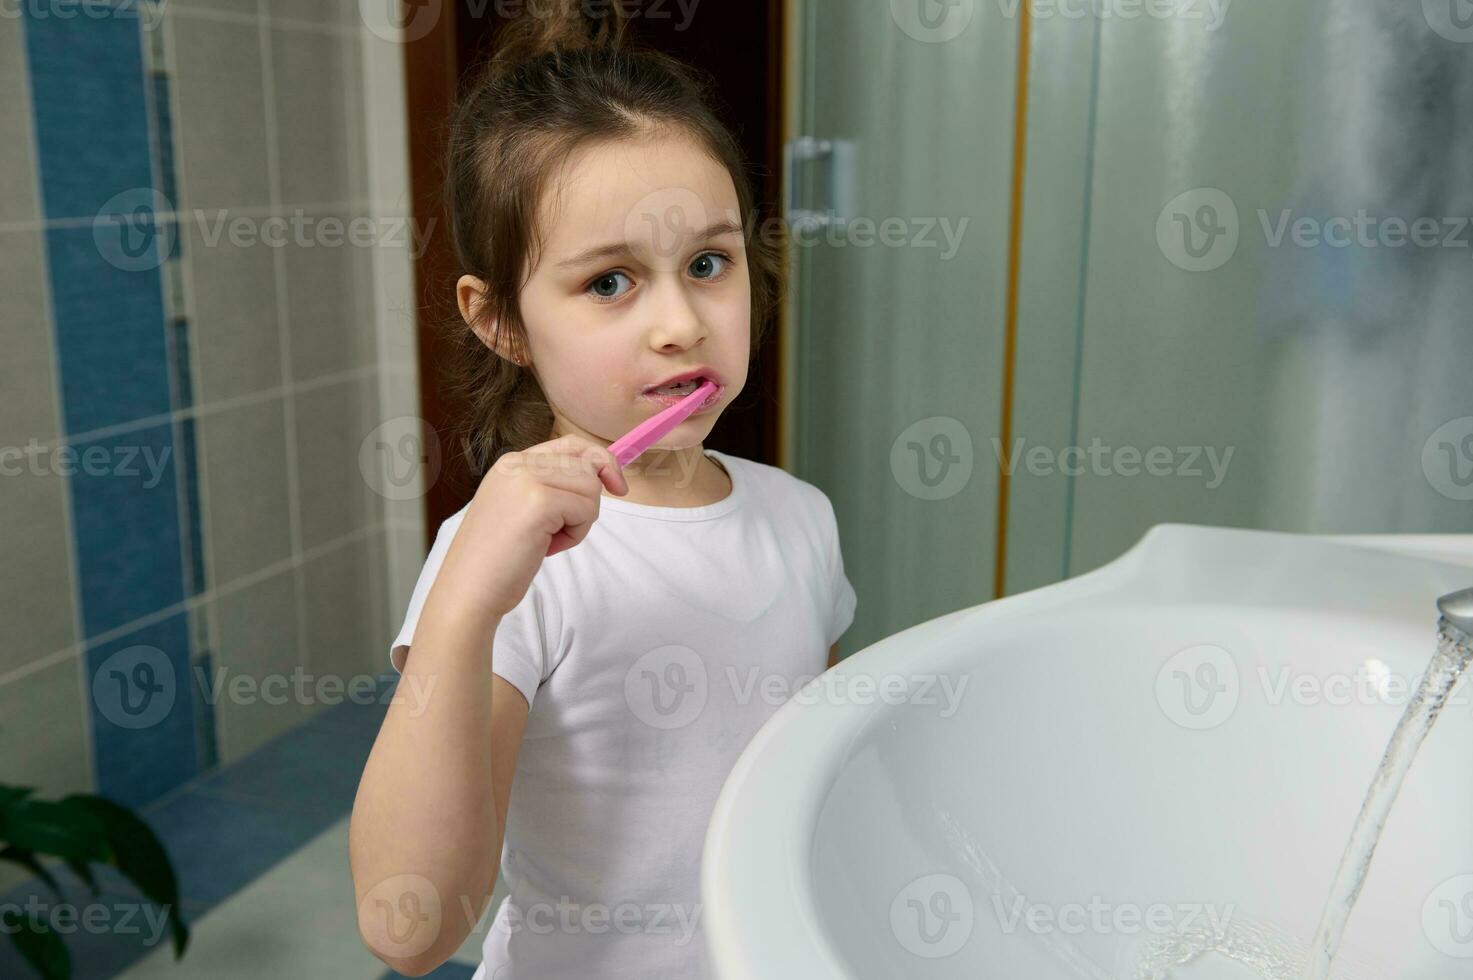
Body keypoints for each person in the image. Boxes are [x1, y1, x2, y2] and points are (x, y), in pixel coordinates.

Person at [350, 2, 856, 976]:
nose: (680, 322)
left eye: (708, 263)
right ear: (499, 318)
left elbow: (805, 777)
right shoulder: (507, 564)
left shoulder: (801, 517)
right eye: (610, 282)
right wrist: (462, 604)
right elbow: (409, 928)